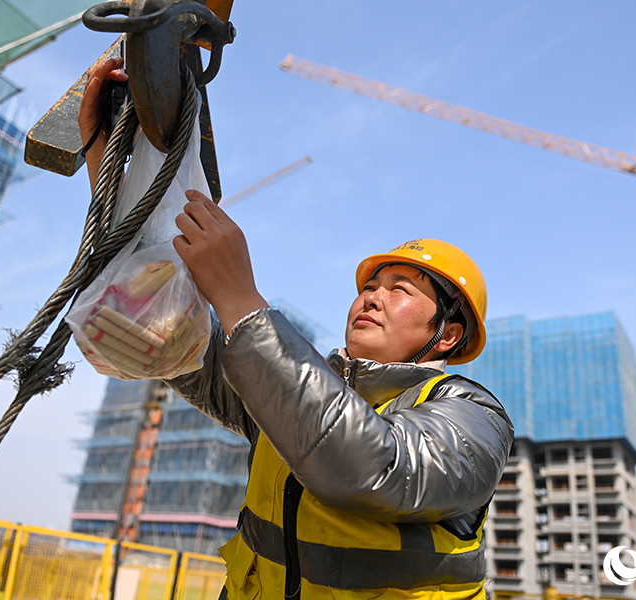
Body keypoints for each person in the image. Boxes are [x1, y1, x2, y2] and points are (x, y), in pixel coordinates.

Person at [80, 59, 514, 599]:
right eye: (369, 285)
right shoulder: (286, 393)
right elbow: (163, 335)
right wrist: (109, 179)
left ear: (446, 335)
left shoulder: (474, 418)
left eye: (399, 289)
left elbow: (373, 468)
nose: (372, 296)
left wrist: (240, 301)